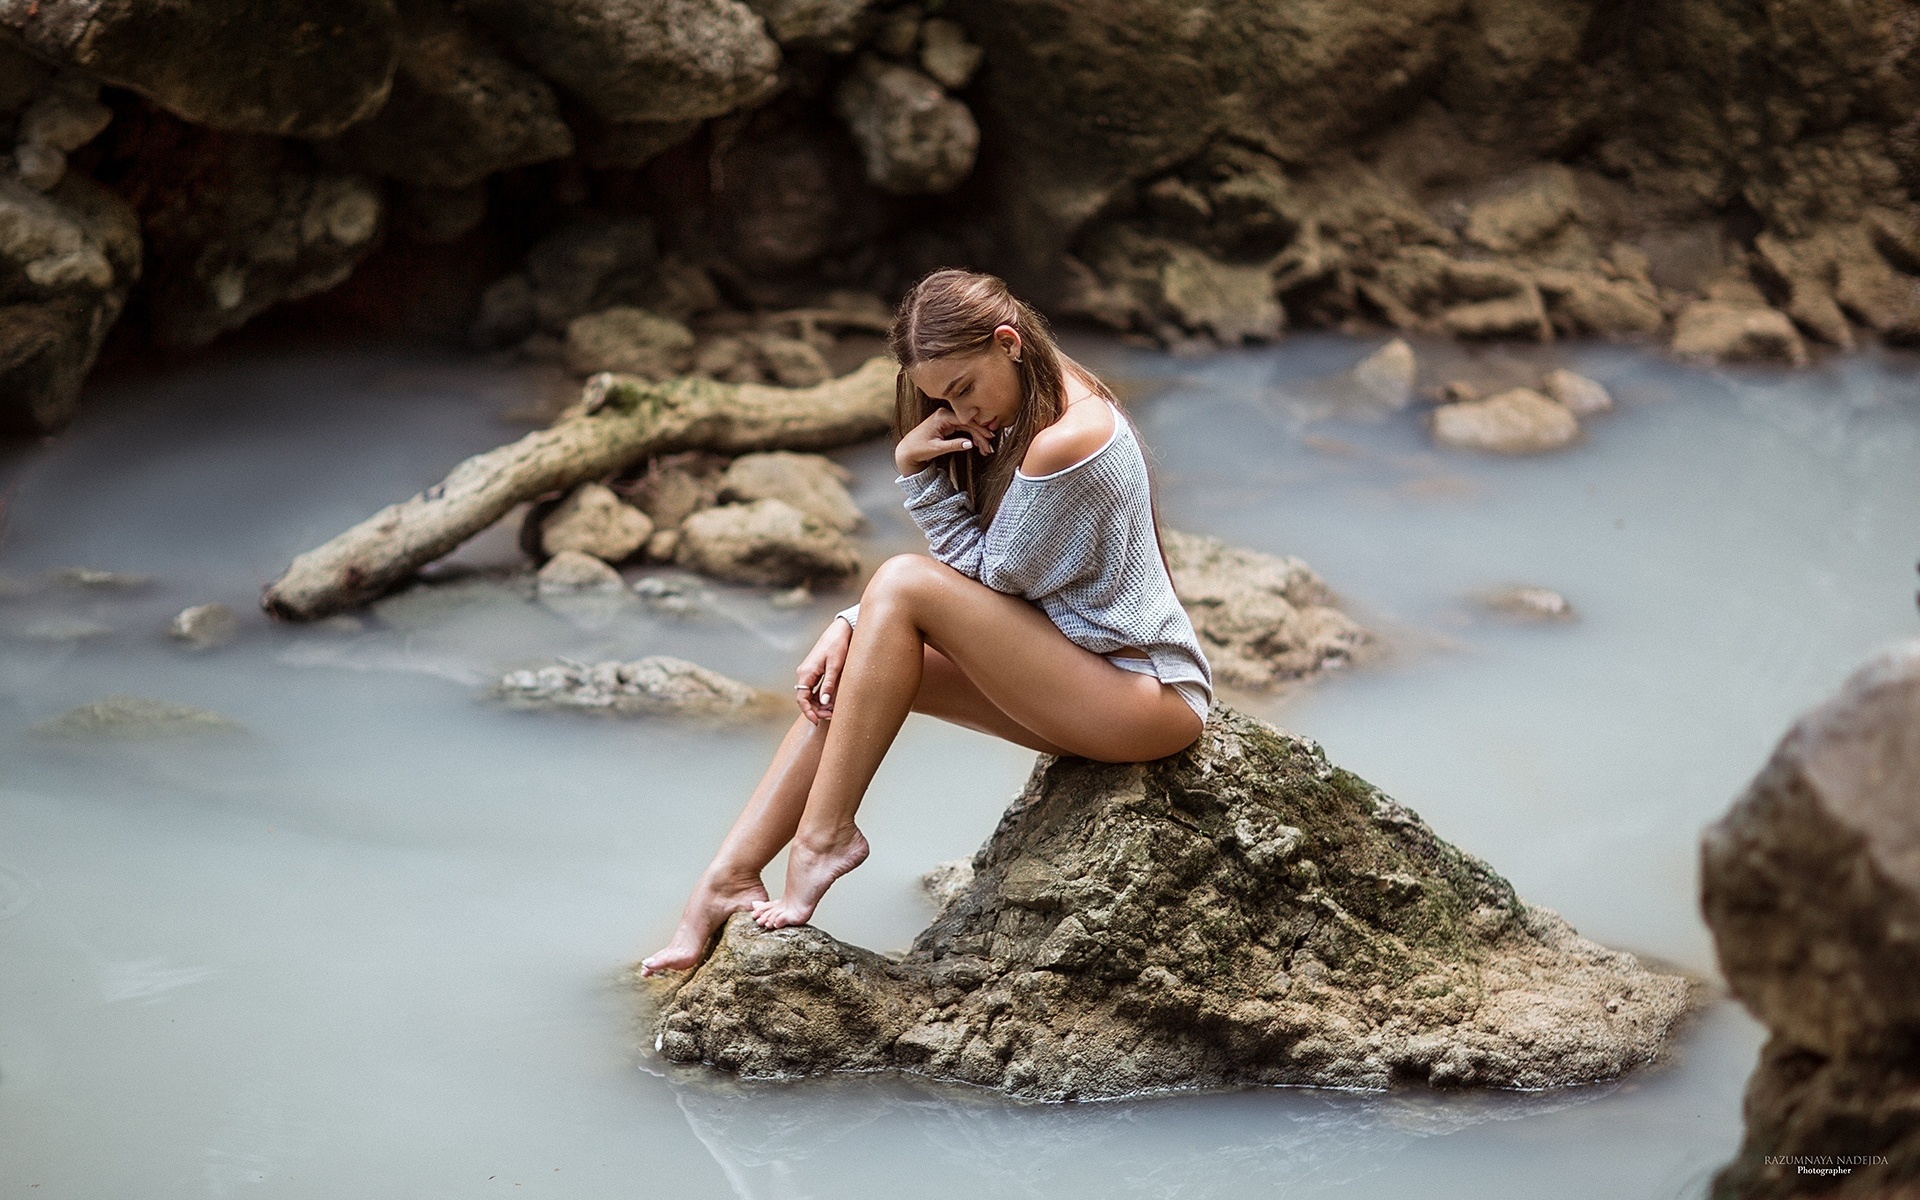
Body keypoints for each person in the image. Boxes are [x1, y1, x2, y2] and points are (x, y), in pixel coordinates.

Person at [640, 268, 1213, 976]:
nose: (963, 416)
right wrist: (855, 626)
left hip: (1145, 698)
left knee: (902, 582)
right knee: (854, 674)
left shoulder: (1070, 436)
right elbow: (988, 594)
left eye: (964, 390)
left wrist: (915, 477)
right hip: (1080, 678)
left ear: (1007, 343)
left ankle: (824, 838)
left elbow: (986, 582)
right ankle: (723, 883)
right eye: (942, 402)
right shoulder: (1035, 390)